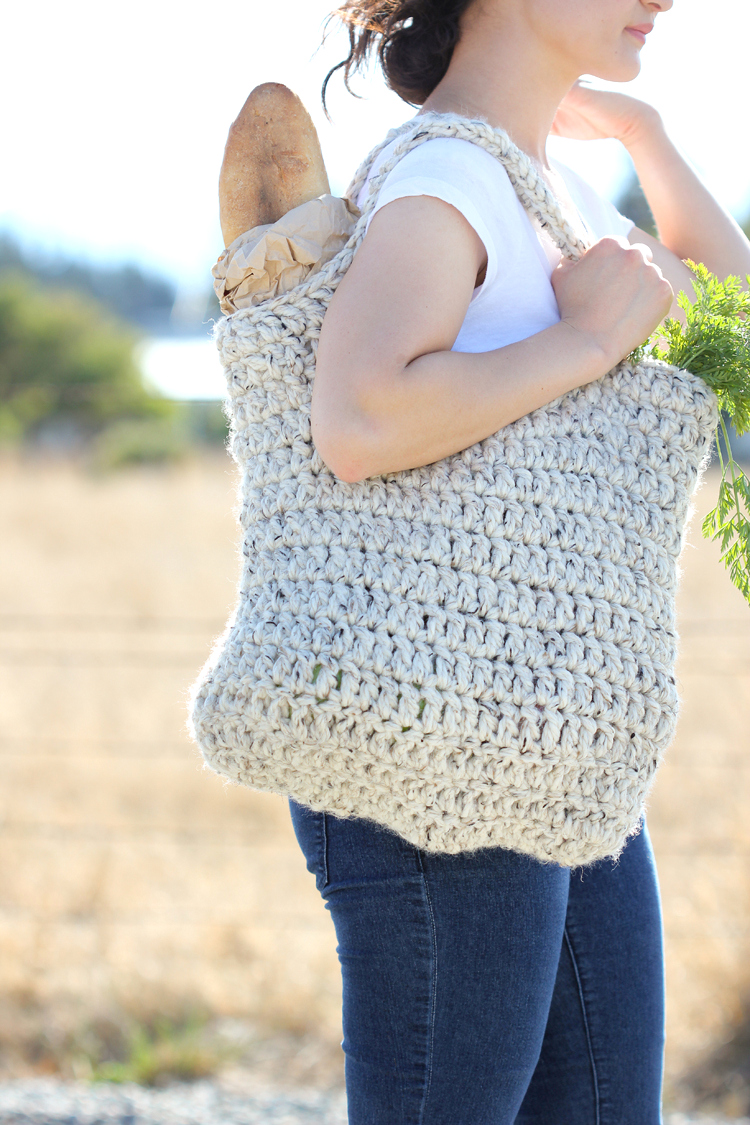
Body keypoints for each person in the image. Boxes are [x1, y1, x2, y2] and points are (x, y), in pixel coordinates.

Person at [228, 3, 750, 1122]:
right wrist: (583, 343)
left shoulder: (538, 193)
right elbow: (360, 418)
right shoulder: (448, 182)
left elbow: (734, 330)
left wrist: (651, 139)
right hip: (436, 746)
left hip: (550, 754)